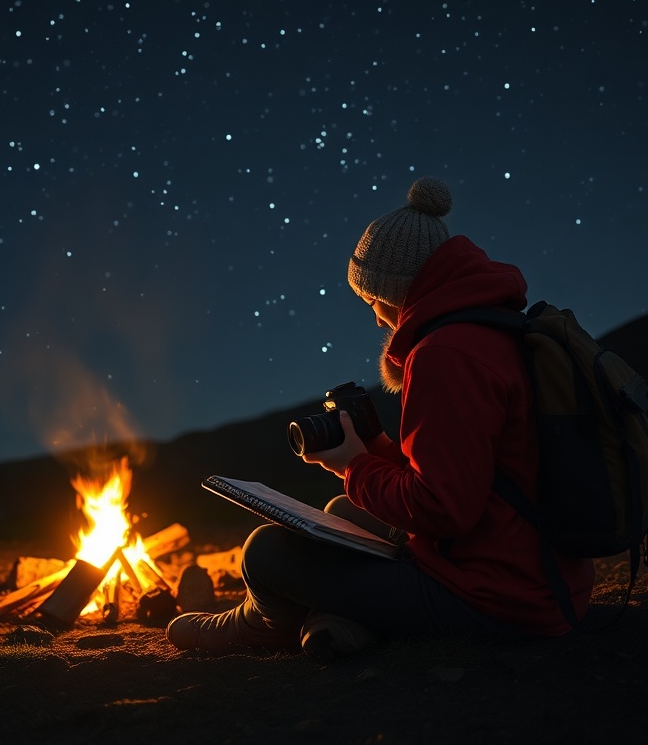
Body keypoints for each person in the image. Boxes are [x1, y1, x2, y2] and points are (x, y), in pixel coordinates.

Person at [166, 177, 595, 659]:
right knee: (341, 513)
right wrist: (378, 451)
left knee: (266, 551)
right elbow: (473, 474)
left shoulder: (445, 356)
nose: (375, 318)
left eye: (372, 300)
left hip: (497, 601)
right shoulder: (493, 330)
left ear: (397, 290)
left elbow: (443, 510)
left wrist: (355, 466)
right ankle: (337, 623)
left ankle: (264, 624)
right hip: (544, 581)